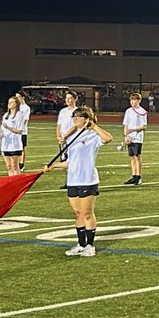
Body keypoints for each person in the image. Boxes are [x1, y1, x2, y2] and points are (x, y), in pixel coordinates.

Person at [45, 106, 113, 257]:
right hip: (73, 179)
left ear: (86, 119)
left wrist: (94, 126)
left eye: (78, 117)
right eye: (73, 117)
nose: (75, 119)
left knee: (87, 213)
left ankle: (90, 245)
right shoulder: (71, 137)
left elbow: (108, 138)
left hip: (87, 179)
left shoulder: (93, 135)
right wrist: (54, 166)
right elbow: (70, 161)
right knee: (77, 213)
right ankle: (81, 244)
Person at [0, 95, 28, 176]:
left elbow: (20, 130)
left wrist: (9, 127)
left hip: (15, 144)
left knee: (15, 166)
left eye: (12, 102)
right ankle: (11, 184)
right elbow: (2, 130)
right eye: (9, 102)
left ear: (16, 104)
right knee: (9, 166)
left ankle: (18, 184)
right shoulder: (5, 115)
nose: (9, 103)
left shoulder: (19, 115)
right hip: (5, 145)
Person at [122, 92, 147, 185]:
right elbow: (126, 125)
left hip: (137, 138)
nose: (133, 102)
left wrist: (133, 130)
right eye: (131, 100)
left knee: (137, 156)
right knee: (132, 157)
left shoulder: (142, 112)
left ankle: (138, 176)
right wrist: (125, 136)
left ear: (139, 101)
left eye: (135, 100)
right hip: (130, 138)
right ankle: (133, 176)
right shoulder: (128, 111)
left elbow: (144, 126)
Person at [54, 90, 78, 188]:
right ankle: (69, 181)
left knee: (73, 161)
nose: (68, 100)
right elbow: (59, 125)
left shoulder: (77, 111)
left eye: (70, 98)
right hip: (63, 140)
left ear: (75, 99)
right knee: (65, 161)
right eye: (66, 98)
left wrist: (66, 136)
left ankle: (74, 181)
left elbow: (76, 126)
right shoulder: (63, 111)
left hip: (73, 139)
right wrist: (59, 136)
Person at [15, 92, 32, 171]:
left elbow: (25, 120)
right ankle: (16, 162)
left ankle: (21, 163)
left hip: (22, 131)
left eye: (18, 97)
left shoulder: (26, 108)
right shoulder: (16, 106)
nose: (17, 98)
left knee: (22, 147)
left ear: (23, 97)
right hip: (15, 131)